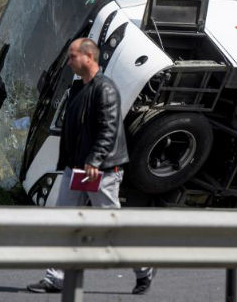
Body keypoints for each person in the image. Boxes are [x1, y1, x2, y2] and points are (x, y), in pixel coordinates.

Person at [26, 38, 155, 295]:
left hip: (100, 171)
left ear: (88, 57)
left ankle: (144, 268)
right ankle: (57, 278)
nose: (69, 61)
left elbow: (108, 129)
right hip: (77, 170)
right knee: (66, 223)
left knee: (110, 227)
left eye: (73, 56)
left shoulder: (104, 89)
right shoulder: (78, 89)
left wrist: (94, 160)